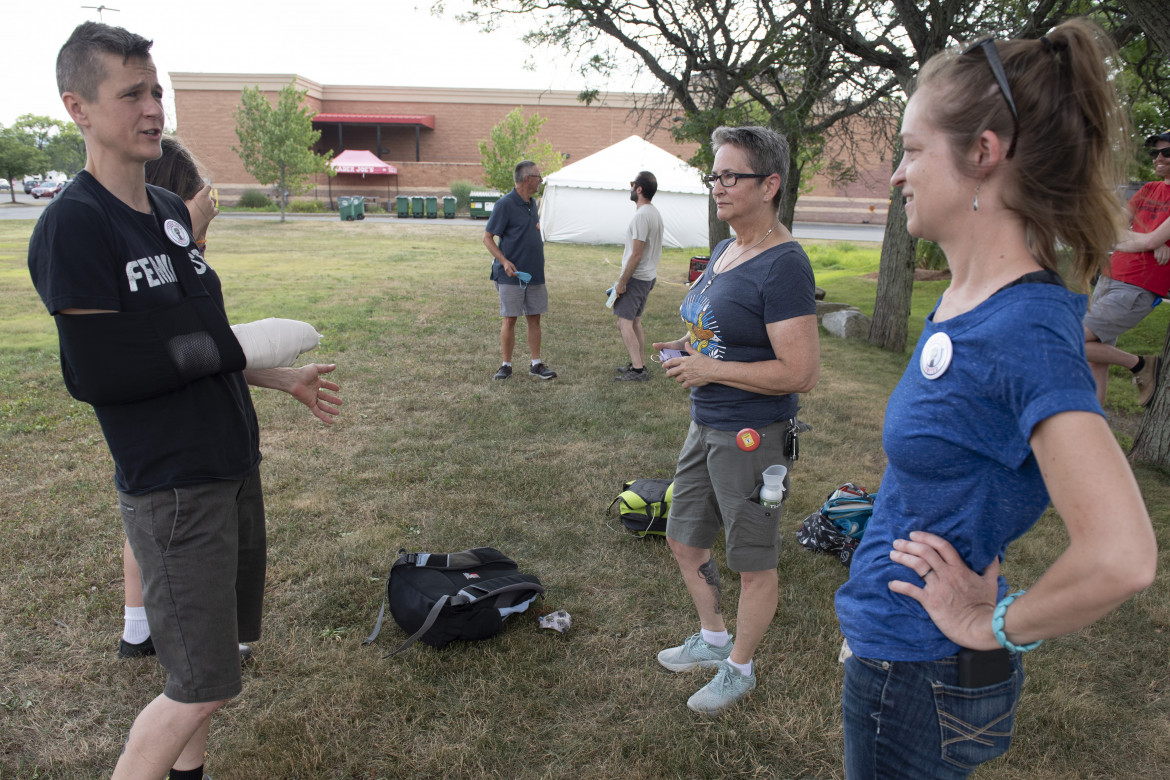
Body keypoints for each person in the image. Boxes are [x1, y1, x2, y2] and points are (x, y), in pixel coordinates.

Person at [834, 21, 1156, 778]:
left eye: (912, 151)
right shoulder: (968, 299)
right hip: (896, 648)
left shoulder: (1023, 329)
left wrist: (994, 621)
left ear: (983, 153)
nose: (896, 176)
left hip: (919, 672)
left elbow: (1122, 557)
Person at [28, 22, 342, 780]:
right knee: (199, 689)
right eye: (130, 93)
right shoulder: (74, 224)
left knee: (211, 675)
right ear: (78, 107)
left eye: (156, 90)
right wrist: (244, 349)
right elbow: (101, 371)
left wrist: (272, 375)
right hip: (173, 487)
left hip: (230, 461)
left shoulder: (169, 213)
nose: (152, 108)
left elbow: (197, 342)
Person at [651, 126, 820, 713]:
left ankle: (739, 668)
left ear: (770, 184)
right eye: (714, 175)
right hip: (707, 421)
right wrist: (687, 345)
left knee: (753, 560)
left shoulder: (784, 265)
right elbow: (721, 330)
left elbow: (801, 372)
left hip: (753, 435)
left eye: (731, 176)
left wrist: (710, 370)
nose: (718, 187)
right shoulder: (727, 248)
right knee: (682, 537)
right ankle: (713, 637)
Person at [116, 136, 250, 661]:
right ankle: (193, 641)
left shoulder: (161, 254)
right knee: (181, 532)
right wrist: (189, 237)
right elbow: (191, 343)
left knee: (142, 523)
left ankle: (137, 629)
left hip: (162, 433)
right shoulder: (157, 263)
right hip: (169, 437)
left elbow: (203, 349)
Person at [1083, 130, 1170, 408]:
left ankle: (1141, 365)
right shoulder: (1147, 190)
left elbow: (1152, 239)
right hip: (1108, 278)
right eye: (1154, 153)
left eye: (1165, 152)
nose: (1158, 158)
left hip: (1138, 286)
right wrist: (1146, 241)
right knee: (1095, 358)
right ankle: (1095, 432)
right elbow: (1113, 230)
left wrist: (1147, 239)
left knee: (1071, 340)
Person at [483, 160, 556, 380]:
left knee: (534, 318)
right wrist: (504, 261)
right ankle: (506, 365)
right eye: (538, 177)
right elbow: (487, 238)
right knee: (510, 319)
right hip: (511, 275)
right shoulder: (505, 204)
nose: (540, 181)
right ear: (527, 179)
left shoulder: (533, 204)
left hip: (534, 273)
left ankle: (536, 364)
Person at [613, 170, 664, 382]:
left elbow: (636, 253)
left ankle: (637, 370)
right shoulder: (654, 213)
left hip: (637, 278)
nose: (631, 188)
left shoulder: (642, 216)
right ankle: (639, 364)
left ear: (639, 189)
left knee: (624, 323)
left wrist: (622, 282)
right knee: (635, 321)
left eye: (633, 184)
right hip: (647, 277)